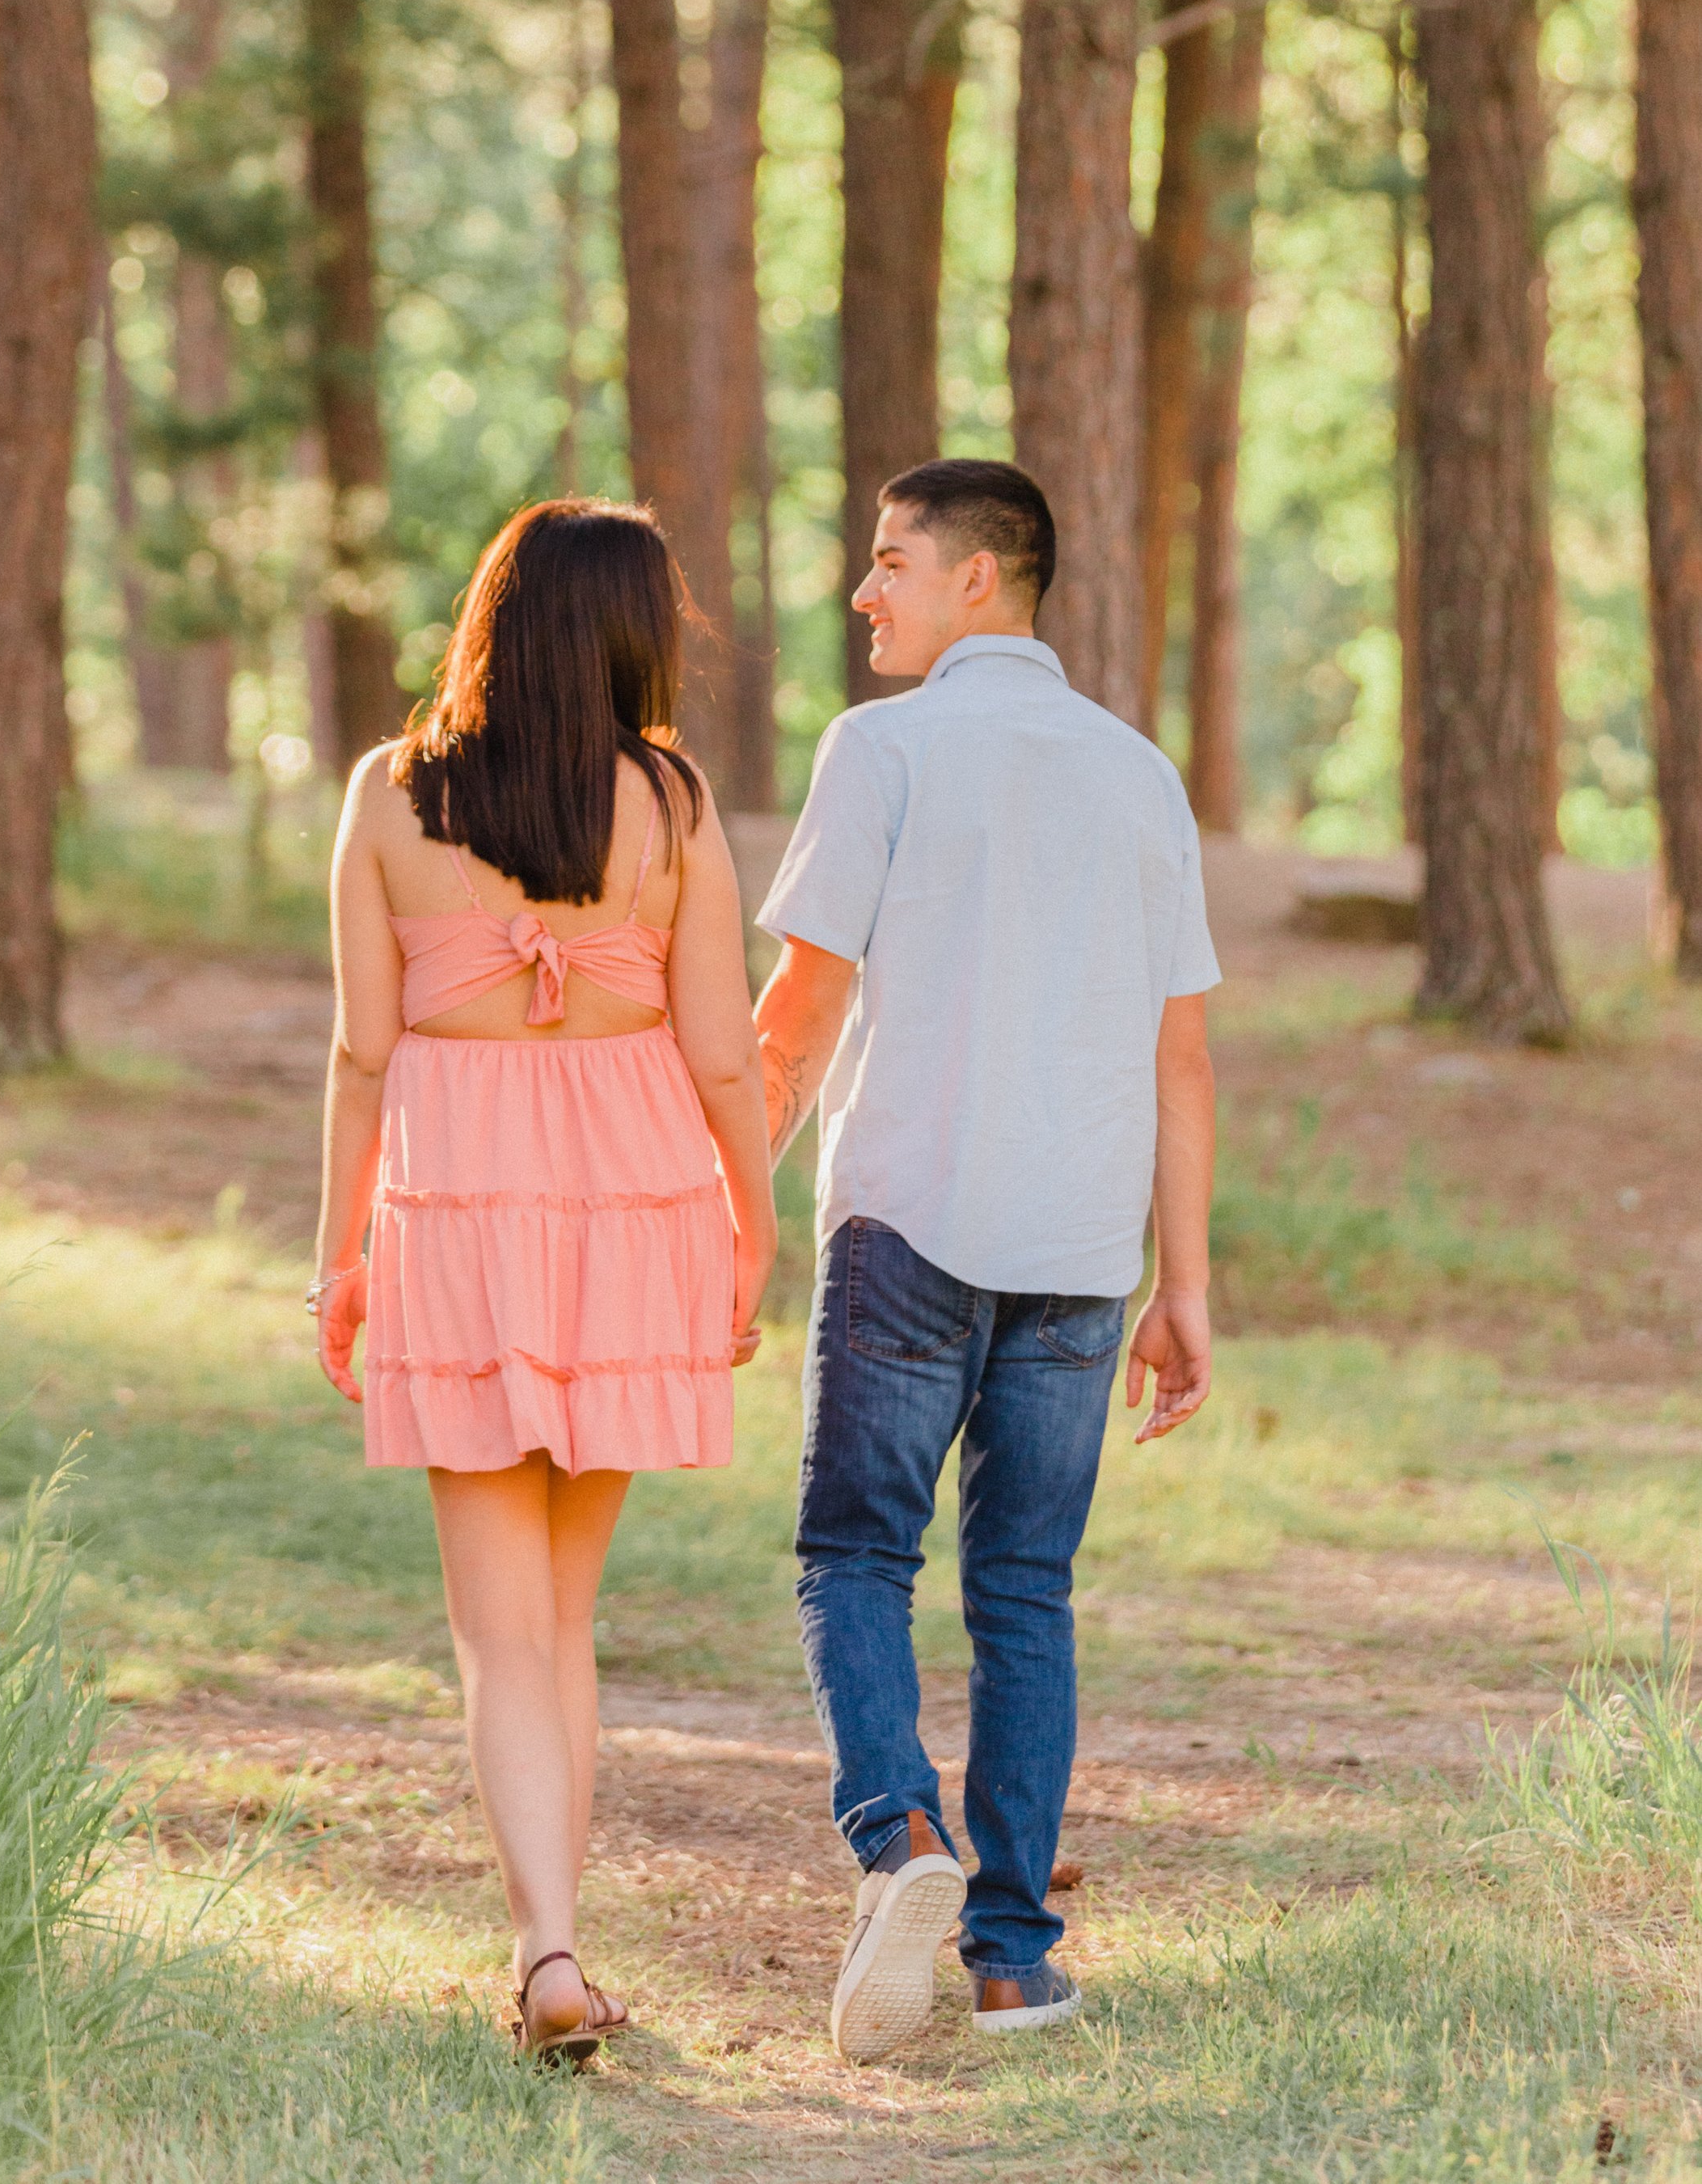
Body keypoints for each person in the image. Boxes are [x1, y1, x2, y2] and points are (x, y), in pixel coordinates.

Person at [754, 457, 1219, 2065]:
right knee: (1023, 1590)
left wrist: (717, 1201)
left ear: (977, 581)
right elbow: (1181, 1063)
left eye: (889, 561)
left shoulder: (879, 747)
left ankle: (899, 1841)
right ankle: (1013, 1962)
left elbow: (796, 1019)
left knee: (854, 1554)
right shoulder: (1137, 773)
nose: (862, 590)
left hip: (904, 1220)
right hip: (1084, 1248)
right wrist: (1188, 1287)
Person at [312, 500, 778, 2067]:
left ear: (495, 622)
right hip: (637, 1206)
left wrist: (337, 1250)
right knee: (565, 1619)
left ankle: (551, 1949)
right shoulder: (676, 804)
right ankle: (552, 1948)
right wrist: (752, 1223)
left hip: (455, 1212)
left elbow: (362, 1050)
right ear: (629, 634)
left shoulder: (388, 796)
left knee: (500, 1632)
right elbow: (720, 1051)